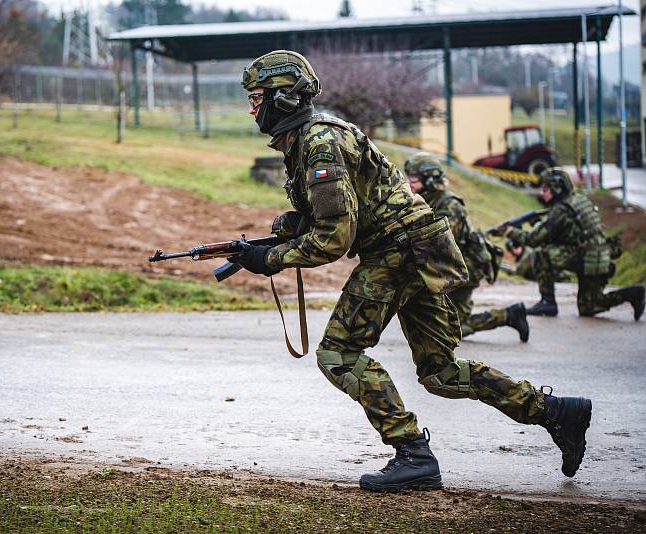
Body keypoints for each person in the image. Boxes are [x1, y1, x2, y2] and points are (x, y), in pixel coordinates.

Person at [230, 50, 593, 492]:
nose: (252, 109)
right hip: (417, 247)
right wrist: (284, 232)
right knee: (439, 372)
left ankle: (413, 454)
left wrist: (268, 260)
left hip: (398, 251)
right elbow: (343, 212)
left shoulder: (320, 142)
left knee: (338, 355)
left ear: (284, 98)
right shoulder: (310, 138)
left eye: (257, 98)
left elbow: (334, 239)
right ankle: (557, 413)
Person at [404, 152, 529, 342]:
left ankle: (509, 316)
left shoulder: (450, 206)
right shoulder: (425, 200)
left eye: (413, 179)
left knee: (454, 329)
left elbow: (439, 244)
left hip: (467, 266)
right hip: (451, 265)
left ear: (429, 181)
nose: (408, 183)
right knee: (442, 320)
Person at [495, 168, 644, 320]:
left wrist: (509, 231)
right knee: (589, 307)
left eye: (546, 189)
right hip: (600, 257)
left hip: (588, 258)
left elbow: (533, 240)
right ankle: (632, 293)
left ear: (557, 189)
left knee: (542, 254)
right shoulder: (577, 199)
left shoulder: (561, 211)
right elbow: (568, 233)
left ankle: (548, 302)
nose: (542, 193)